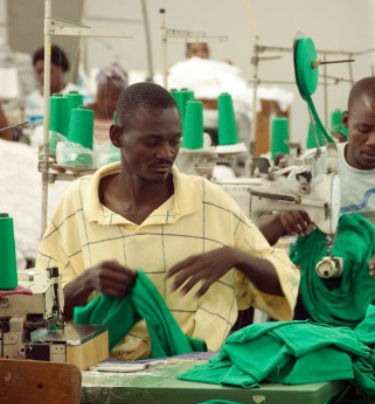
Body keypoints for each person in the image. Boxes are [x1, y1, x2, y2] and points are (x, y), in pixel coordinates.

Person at [36, 82, 299, 360]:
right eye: (152, 142)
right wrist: (85, 282)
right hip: (101, 374)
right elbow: (40, 312)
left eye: (174, 141)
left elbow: (286, 281)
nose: (166, 154)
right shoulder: (78, 203)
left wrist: (235, 257)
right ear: (117, 136)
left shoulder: (208, 201)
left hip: (188, 376)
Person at [261, 77, 375, 294]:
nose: (374, 141)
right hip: (319, 289)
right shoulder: (312, 166)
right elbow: (257, 238)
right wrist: (282, 218)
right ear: (346, 120)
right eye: (364, 129)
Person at [24, 44, 79, 124]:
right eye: (39, 72)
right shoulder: (32, 100)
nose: (43, 76)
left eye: (49, 70)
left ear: (61, 68)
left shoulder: (79, 95)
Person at [87, 63, 128, 145]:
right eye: (103, 97)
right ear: (96, 94)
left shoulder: (127, 118)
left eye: (114, 98)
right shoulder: (85, 113)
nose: (108, 102)